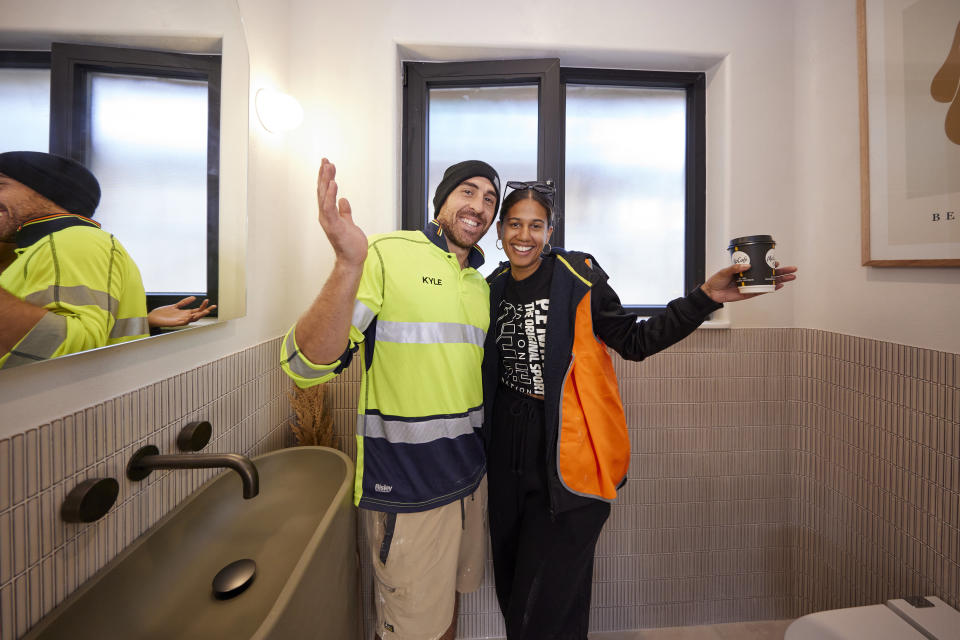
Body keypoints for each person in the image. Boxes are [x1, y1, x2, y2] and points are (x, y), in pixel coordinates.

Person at [481, 180, 798, 639]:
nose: (524, 236)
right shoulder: (490, 287)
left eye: (536, 225)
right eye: (514, 224)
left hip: (571, 450)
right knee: (515, 593)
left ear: (551, 231)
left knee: (546, 606)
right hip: (508, 455)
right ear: (500, 230)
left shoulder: (578, 277)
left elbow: (635, 340)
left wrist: (705, 298)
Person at [280, 158, 502, 640]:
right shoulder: (387, 253)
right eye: (468, 191)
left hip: (468, 481)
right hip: (407, 489)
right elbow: (305, 365)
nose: (479, 206)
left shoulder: (479, 286)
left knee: (447, 612)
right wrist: (347, 264)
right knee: (410, 629)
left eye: (490, 199)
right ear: (441, 201)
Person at [0, 151, 149, 369]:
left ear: (48, 191)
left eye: (1, 185)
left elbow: (74, 357)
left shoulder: (74, 240)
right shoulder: (42, 249)